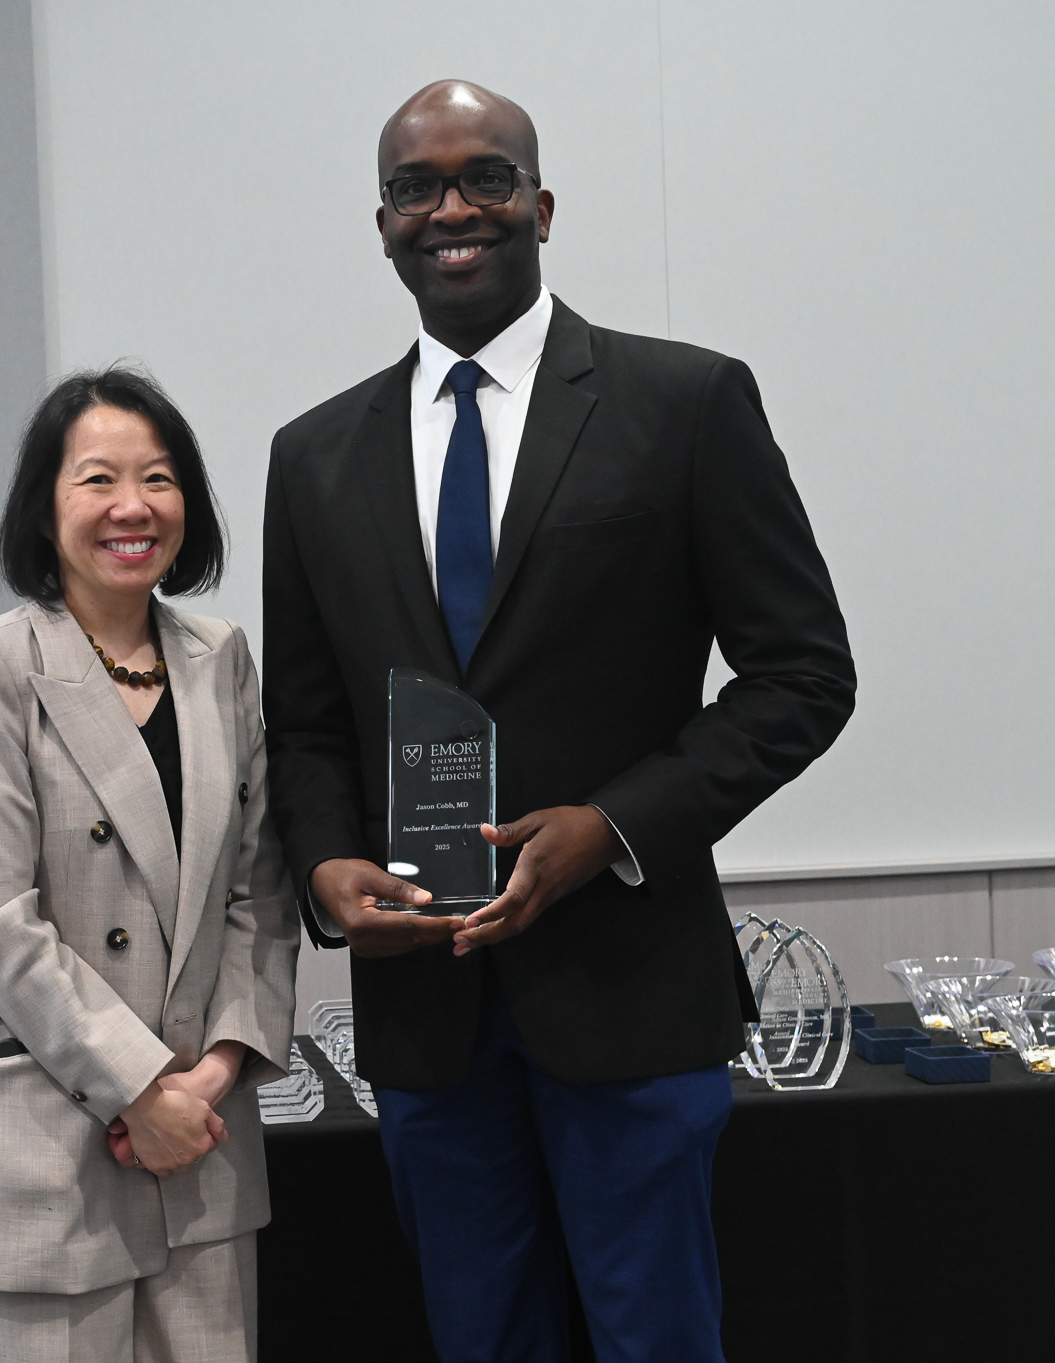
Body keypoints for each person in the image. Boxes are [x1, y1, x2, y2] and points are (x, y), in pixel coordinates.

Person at [263, 81, 857, 1361]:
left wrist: (612, 824)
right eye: (415, 188)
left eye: (483, 177)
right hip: (426, 1007)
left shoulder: (682, 404)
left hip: (629, 991)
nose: (450, 209)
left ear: (540, 205)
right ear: (381, 225)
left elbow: (802, 675)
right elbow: (303, 726)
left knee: (654, 1341)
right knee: (479, 1341)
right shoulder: (311, 458)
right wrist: (319, 866)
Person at [0, 367, 298, 1363]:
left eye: (158, 478)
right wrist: (140, 1093)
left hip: (199, 1146)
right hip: (42, 1147)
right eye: (96, 480)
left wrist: (208, 1078)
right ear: (44, 508)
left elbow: (259, 891)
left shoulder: (223, 659)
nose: (133, 505)